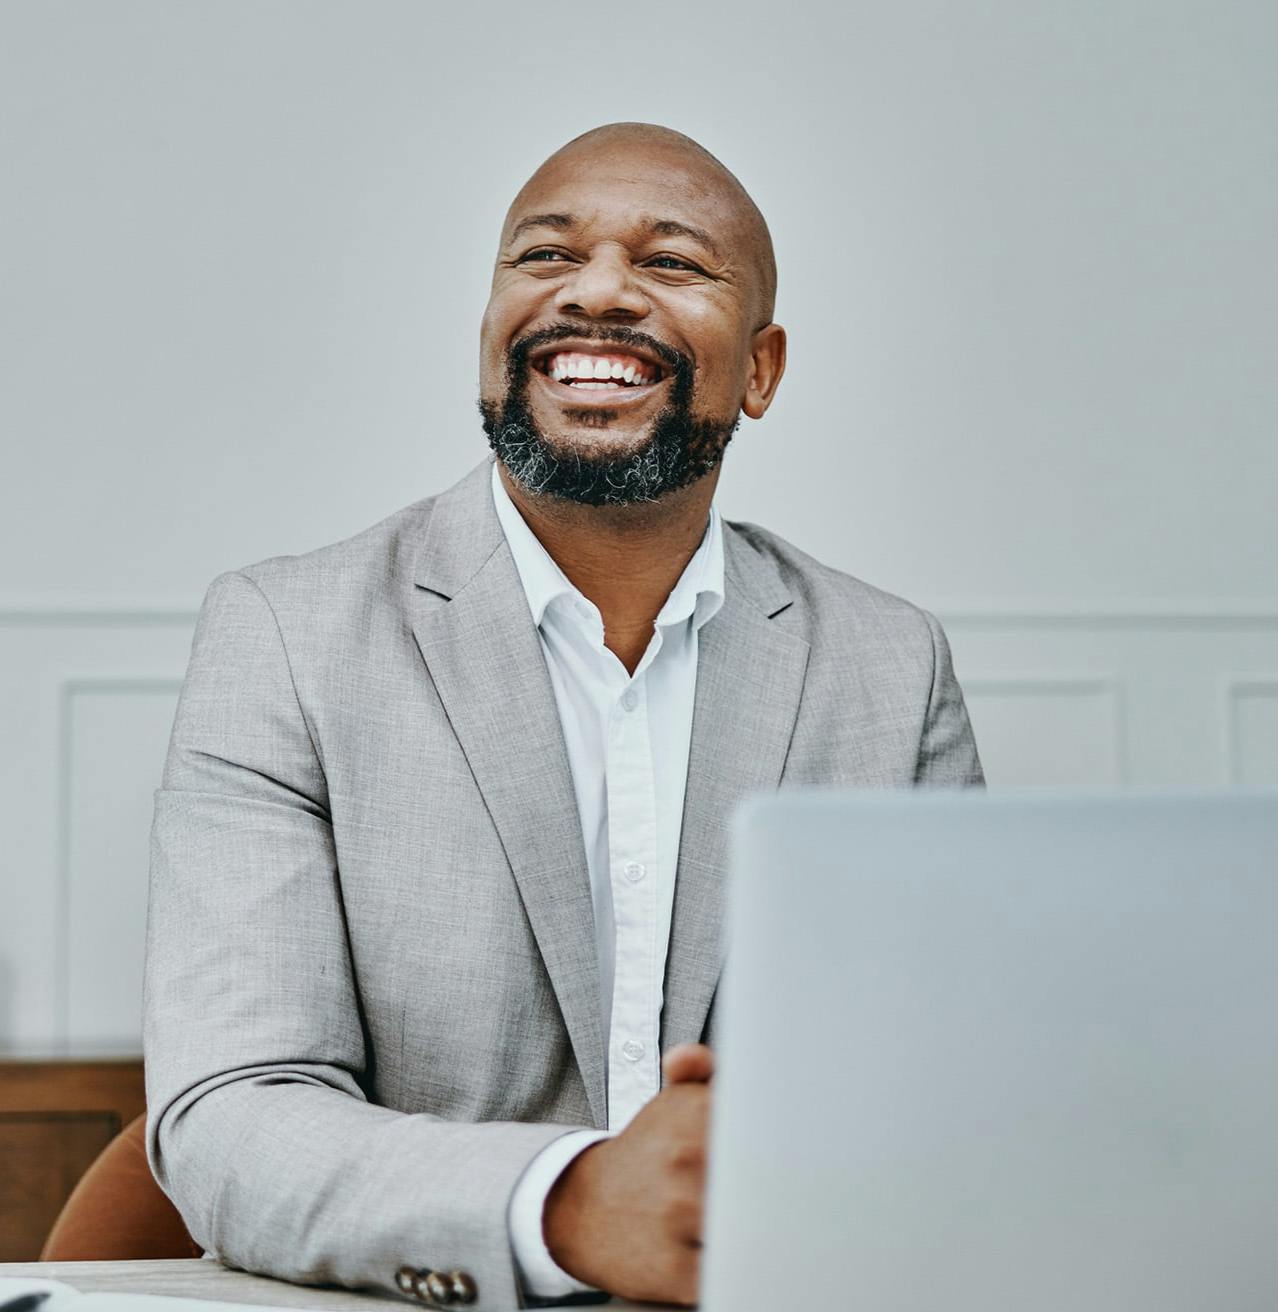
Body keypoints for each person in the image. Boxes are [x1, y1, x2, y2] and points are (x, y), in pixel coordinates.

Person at [144, 121, 983, 1310]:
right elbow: (230, 1115)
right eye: (543, 258)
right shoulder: (286, 636)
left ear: (761, 368)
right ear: (492, 338)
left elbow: (951, 1085)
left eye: (673, 263)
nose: (596, 292)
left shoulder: (890, 666)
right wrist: (568, 1203)